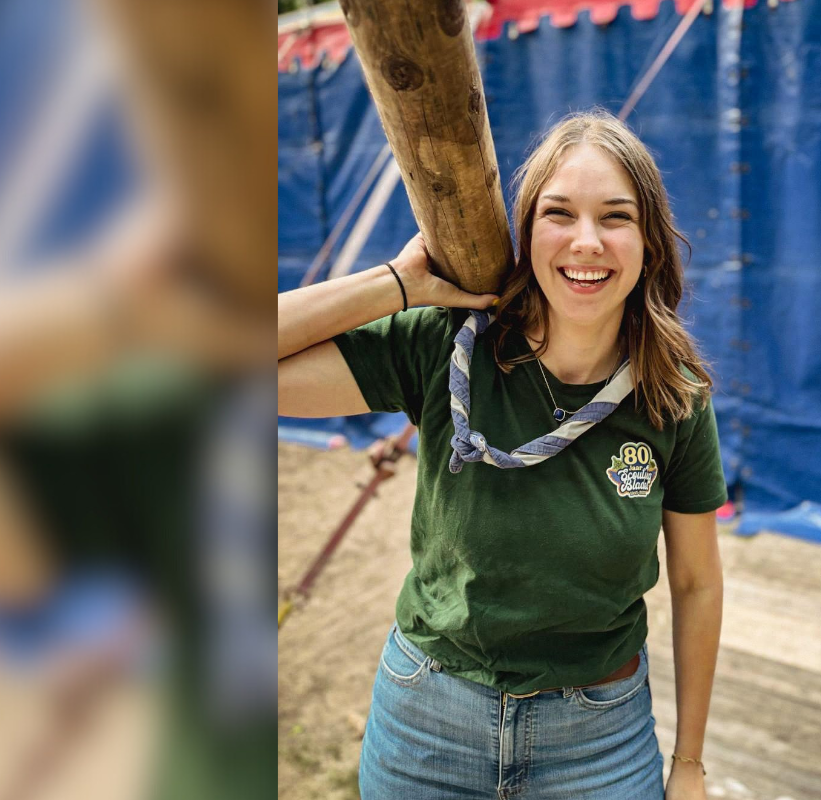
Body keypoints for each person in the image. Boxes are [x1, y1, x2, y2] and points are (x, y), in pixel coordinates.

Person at [278, 109, 726, 800]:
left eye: (615, 217)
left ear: (649, 242)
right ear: (524, 232)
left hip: (597, 737)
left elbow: (696, 583)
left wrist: (689, 765)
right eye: (559, 213)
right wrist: (397, 283)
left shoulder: (674, 395)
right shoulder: (447, 347)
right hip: (428, 721)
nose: (586, 242)